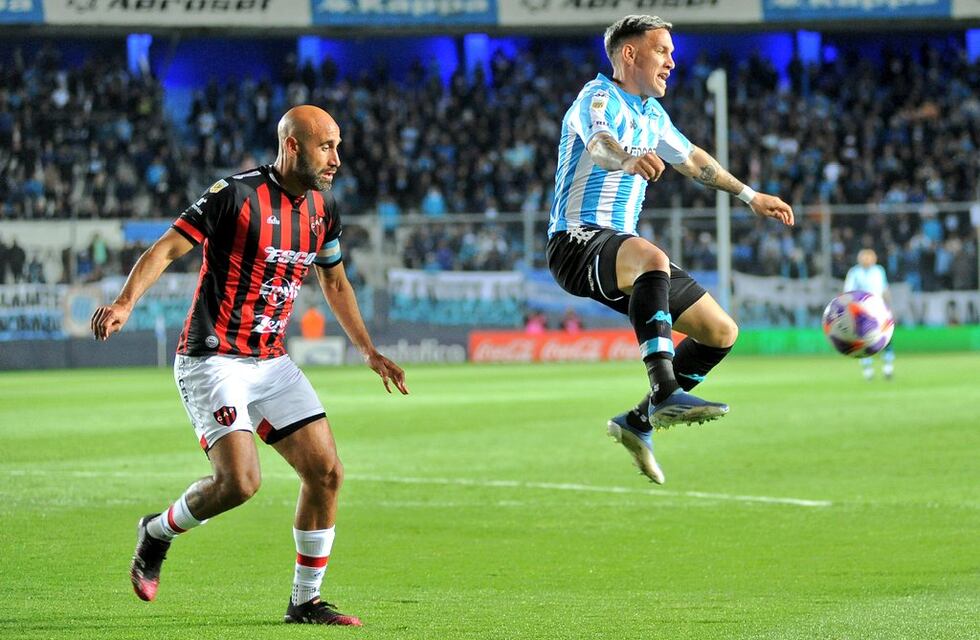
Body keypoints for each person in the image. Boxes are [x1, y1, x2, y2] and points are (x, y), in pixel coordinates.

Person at [91, 105, 408, 627]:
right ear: (292, 146)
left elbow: (334, 280)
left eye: (338, 147)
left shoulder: (323, 209)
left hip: (269, 360)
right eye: (326, 147)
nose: (336, 159)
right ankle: (156, 531)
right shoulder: (235, 195)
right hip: (213, 358)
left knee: (326, 473)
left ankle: (305, 602)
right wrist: (125, 303)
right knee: (239, 482)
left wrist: (368, 350)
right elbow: (167, 248)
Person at [546, 15, 794, 484]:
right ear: (630, 54)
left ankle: (637, 422)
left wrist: (750, 196)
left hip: (618, 249)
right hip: (576, 241)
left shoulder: (651, 115)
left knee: (721, 332)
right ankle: (665, 392)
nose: (672, 62)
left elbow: (694, 160)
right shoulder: (596, 98)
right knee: (652, 258)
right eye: (662, 51)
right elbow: (599, 146)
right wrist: (627, 158)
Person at [844, 248, 895, 380]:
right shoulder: (854, 272)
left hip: (878, 308)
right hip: (862, 311)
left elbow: (884, 289)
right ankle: (868, 369)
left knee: (886, 337)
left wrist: (889, 307)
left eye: (869, 257)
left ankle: (888, 366)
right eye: (864, 257)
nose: (867, 260)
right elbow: (848, 292)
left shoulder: (879, 271)